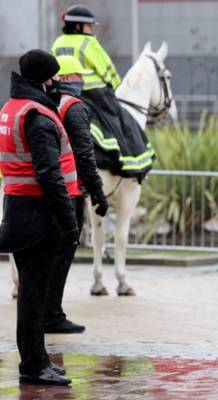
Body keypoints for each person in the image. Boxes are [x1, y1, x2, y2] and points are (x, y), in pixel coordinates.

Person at [0, 49, 80, 385]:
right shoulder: (38, 115)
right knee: (34, 297)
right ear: (44, 79)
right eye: (54, 78)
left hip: (18, 208)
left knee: (32, 295)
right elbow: (49, 173)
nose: (57, 84)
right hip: (37, 216)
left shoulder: (11, 107)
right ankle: (34, 366)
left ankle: (38, 360)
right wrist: (69, 220)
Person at [41, 55, 109, 334]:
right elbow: (84, 154)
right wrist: (97, 192)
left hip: (43, 189)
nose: (83, 81)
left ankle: (44, 312)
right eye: (79, 76)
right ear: (67, 78)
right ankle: (52, 314)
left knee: (46, 254)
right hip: (68, 191)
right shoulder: (74, 107)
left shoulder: (45, 103)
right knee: (63, 250)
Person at [51, 5, 153, 179]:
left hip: (61, 91)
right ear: (78, 26)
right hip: (94, 94)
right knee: (121, 121)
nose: (92, 29)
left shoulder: (58, 43)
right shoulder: (88, 42)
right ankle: (127, 160)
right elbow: (107, 69)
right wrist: (115, 86)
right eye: (90, 26)